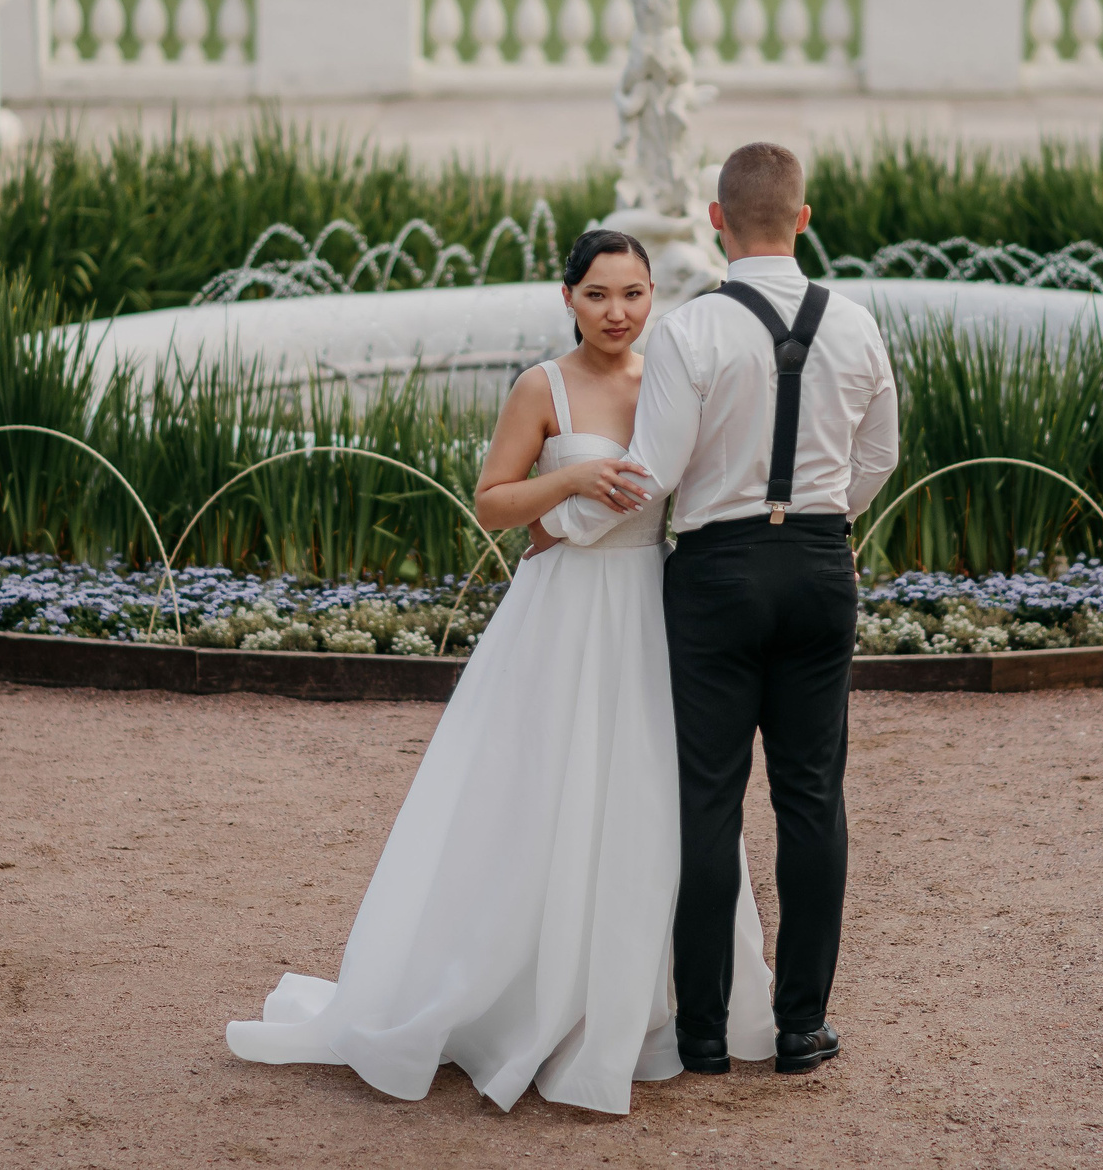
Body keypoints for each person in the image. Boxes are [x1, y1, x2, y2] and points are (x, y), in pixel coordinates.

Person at [224, 229, 775, 1114]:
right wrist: (570, 485)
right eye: (598, 294)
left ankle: (643, 1001)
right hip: (560, 614)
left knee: (649, 797)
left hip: (651, 608)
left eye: (634, 294)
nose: (618, 312)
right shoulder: (540, 386)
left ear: (653, 298)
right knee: (538, 794)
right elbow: (491, 504)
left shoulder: (669, 379)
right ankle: (517, 996)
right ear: (569, 299)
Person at [544, 142, 900, 1078]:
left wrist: (562, 522)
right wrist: (824, 520)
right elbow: (880, 456)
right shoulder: (858, 324)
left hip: (715, 577)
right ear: (804, 219)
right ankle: (801, 1026)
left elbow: (653, 472)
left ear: (715, 221)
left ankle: (702, 1030)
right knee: (812, 799)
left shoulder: (690, 330)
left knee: (706, 800)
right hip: (819, 567)